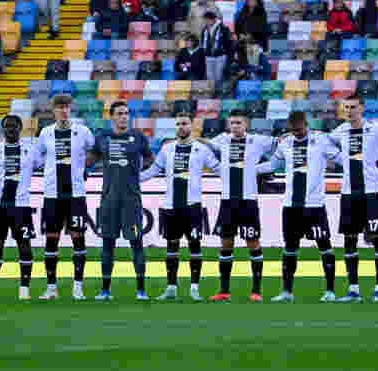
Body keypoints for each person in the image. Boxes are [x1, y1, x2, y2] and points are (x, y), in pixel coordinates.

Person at [329, 96, 378, 302]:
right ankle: (353, 290)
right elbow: (325, 145)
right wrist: (341, 160)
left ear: (361, 109)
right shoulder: (340, 131)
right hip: (348, 194)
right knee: (350, 240)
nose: (349, 111)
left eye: (353, 107)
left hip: (371, 193)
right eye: (346, 107)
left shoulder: (375, 128)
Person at [260, 112, 341, 302]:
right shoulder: (285, 143)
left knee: (325, 246)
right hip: (291, 206)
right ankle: (287, 292)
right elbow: (272, 164)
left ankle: (330, 291)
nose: (296, 133)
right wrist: (248, 169)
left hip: (314, 205)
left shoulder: (320, 141)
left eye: (300, 129)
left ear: (307, 125)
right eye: (293, 130)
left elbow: (340, 158)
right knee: (290, 247)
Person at [140, 113, 219, 301]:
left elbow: (218, 169)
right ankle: (171, 288)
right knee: (172, 246)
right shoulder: (167, 149)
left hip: (192, 206)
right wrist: (132, 178)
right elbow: (152, 171)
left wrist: (241, 174)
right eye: (178, 124)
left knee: (194, 246)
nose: (181, 127)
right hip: (171, 206)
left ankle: (194, 289)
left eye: (184, 123)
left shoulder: (201, 149)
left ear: (191, 126)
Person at [202, 110, 276, 302]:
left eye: (238, 123)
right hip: (227, 200)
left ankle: (256, 291)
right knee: (226, 244)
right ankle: (224, 291)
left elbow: (280, 144)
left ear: (246, 125)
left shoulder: (258, 140)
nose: (235, 126)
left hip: (248, 201)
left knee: (253, 243)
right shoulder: (222, 139)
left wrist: (262, 168)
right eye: (232, 123)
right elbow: (205, 145)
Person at [87, 101, 154, 301]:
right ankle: (105, 290)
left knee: (136, 243)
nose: (124, 117)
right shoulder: (102, 138)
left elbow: (151, 160)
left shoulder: (139, 138)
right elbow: (89, 160)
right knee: (108, 244)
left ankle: (141, 290)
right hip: (108, 199)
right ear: (112, 117)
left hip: (131, 200)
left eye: (126, 113)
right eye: (119, 113)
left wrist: (138, 175)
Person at [0, 115, 43, 301]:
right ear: (2, 129)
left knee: (25, 246)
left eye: (14, 126)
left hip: (21, 207)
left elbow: (47, 168)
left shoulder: (31, 151)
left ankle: (24, 289)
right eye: (7, 127)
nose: (10, 130)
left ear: (20, 128)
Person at [34, 93, 94, 300]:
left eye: (66, 106)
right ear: (53, 110)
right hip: (52, 195)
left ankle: (78, 287)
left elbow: (94, 151)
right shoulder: (45, 133)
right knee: (51, 240)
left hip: (76, 195)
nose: (63, 110)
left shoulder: (83, 132)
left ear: (71, 108)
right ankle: (51, 288)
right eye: (59, 107)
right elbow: (39, 157)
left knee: (78, 239)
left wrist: (84, 168)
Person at [199, 11, 232, 84]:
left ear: (214, 19)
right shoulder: (205, 29)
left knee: (219, 76)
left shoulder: (223, 28)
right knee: (210, 76)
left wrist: (228, 55)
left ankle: (218, 93)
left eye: (208, 20)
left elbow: (229, 43)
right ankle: (211, 93)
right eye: (205, 20)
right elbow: (202, 42)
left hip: (220, 56)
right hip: (208, 56)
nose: (206, 22)